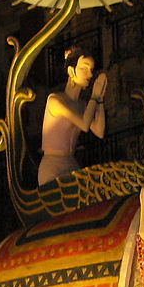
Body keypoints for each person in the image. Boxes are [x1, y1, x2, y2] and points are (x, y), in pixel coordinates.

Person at [38, 47, 107, 186]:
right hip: (53, 166)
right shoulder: (55, 100)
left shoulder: (82, 105)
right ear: (71, 71)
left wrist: (99, 100)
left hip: (71, 164)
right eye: (84, 68)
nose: (90, 74)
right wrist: (94, 96)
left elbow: (99, 132)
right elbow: (84, 125)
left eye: (91, 69)